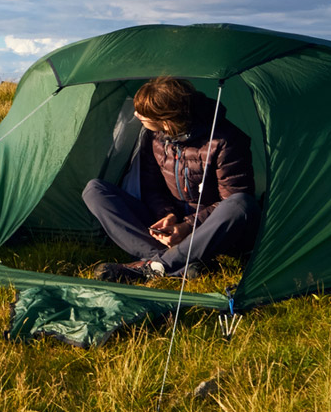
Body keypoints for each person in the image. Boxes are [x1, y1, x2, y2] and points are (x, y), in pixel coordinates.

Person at [80, 76, 258, 282]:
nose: (137, 114)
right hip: (175, 220)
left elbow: (231, 199)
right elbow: (152, 188)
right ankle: (178, 263)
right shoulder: (154, 137)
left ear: (166, 119)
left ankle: (156, 266)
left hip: (209, 227)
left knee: (241, 204)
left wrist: (188, 226)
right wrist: (168, 215)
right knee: (95, 190)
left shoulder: (225, 140)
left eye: (143, 112)